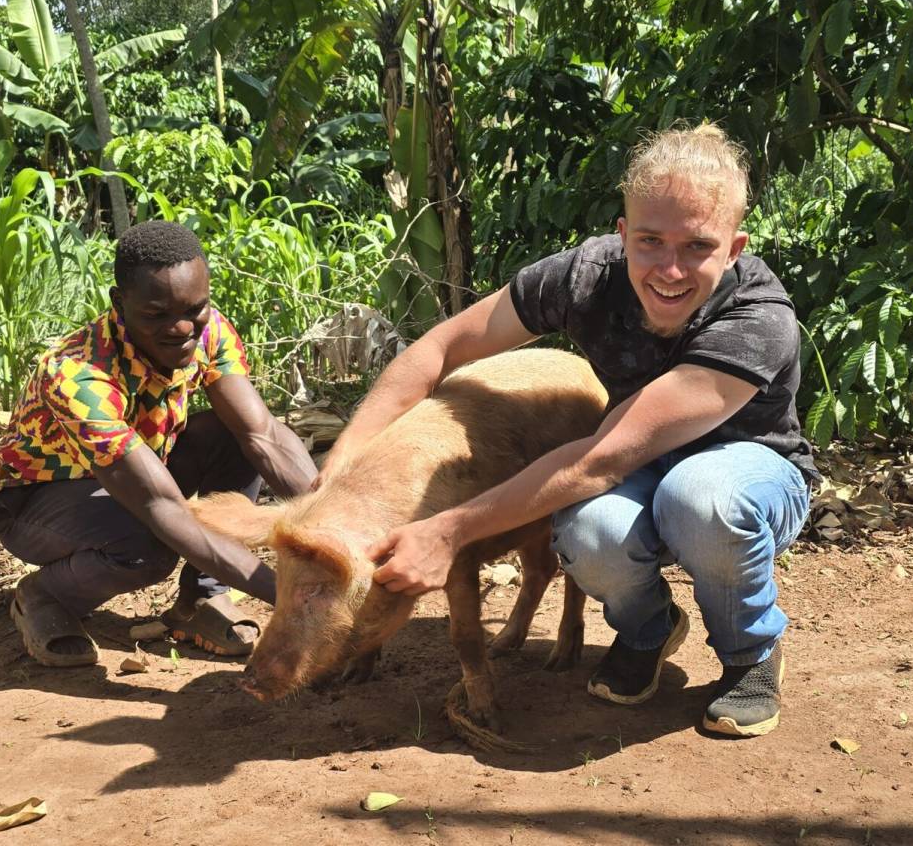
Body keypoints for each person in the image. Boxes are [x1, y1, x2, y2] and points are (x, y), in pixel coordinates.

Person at [332, 124, 816, 737]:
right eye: (650, 241)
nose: (670, 269)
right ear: (623, 233)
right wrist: (343, 460)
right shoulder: (587, 276)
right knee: (587, 529)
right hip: (640, 463)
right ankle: (646, 630)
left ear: (735, 248)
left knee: (698, 497)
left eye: (698, 246)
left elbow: (600, 460)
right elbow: (438, 349)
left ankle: (751, 651)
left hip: (748, 471)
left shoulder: (757, 318)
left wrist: (447, 532)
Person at [0, 220, 316, 665]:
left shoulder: (208, 330)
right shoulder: (79, 375)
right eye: (157, 315)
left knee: (230, 436)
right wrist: (290, 598)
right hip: (35, 504)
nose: (181, 328)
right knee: (148, 546)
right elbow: (162, 508)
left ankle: (202, 598)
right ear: (120, 304)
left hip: (134, 471)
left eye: (194, 308)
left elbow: (263, 435)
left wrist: (337, 525)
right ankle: (45, 594)